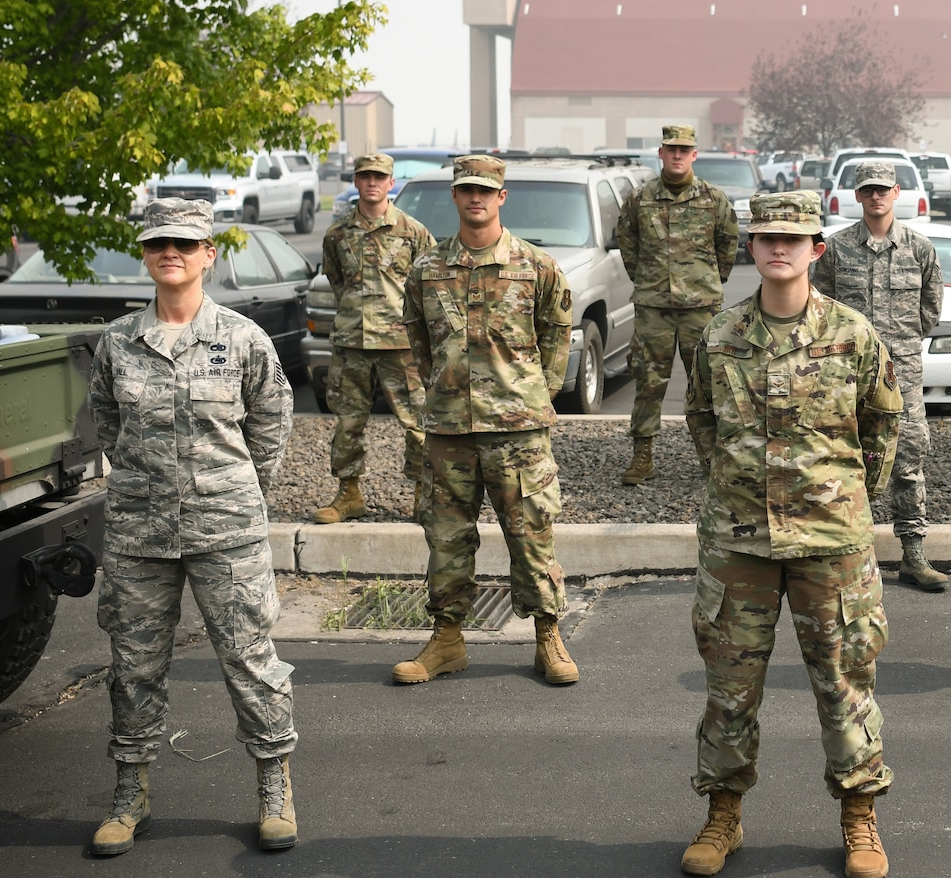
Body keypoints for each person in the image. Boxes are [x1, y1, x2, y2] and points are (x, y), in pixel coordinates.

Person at [680, 190, 903, 878]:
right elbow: (703, 423)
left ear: (817, 249)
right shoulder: (719, 336)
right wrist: (738, 485)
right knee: (730, 688)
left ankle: (859, 816)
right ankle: (723, 814)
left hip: (831, 543)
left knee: (844, 684)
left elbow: (882, 426)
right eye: (766, 237)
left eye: (793, 237)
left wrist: (841, 499)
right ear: (750, 247)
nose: (779, 247)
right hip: (740, 542)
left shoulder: (854, 335)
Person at [85, 198, 298, 855]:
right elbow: (106, 422)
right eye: (156, 244)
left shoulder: (241, 338)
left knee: (249, 659)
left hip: (225, 530)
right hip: (139, 534)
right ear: (145, 255)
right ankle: (131, 791)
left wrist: (235, 491)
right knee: (133, 665)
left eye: (184, 242)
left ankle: (274, 786)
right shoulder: (118, 342)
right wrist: (148, 484)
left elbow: (270, 423)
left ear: (210, 253)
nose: (169, 252)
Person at [393, 155, 579, 687]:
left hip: (517, 429)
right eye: (465, 189)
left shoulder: (535, 266)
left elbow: (555, 337)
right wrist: (444, 390)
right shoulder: (427, 269)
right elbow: (420, 342)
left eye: (485, 190)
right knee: (446, 536)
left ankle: (548, 635)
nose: (475, 198)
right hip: (449, 430)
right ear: (454, 196)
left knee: (531, 535)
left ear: (502, 197)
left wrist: (526, 396)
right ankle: (447, 640)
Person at [812, 160, 948, 592]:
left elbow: (930, 309)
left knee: (908, 460)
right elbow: (821, 308)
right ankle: (852, 553)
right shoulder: (834, 249)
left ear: (896, 192)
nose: (876, 197)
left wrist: (900, 346)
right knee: (847, 460)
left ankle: (913, 554)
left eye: (883, 189)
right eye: (868, 190)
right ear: (857, 195)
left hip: (902, 374)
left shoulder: (920, 248)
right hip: (848, 375)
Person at [613, 124, 740, 485]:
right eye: (672, 149)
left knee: (708, 383)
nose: (678, 155)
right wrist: (647, 280)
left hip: (700, 307)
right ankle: (643, 457)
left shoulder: (713, 199)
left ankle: (713, 458)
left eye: (685, 150)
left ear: (695, 155)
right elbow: (628, 242)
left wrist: (708, 281)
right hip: (653, 308)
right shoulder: (641, 198)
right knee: (647, 383)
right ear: (661, 153)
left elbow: (727, 244)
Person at [314, 152, 436, 524]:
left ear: (390, 183)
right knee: (348, 423)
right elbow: (337, 280)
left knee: (416, 424)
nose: (372, 183)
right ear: (355, 181)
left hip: (401, 345)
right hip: (352, 343)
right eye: (365, 176)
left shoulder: (413, 232)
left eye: (379, 177)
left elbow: (428, 284)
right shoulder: (337, 233)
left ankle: (422, 494)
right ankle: (349, 494)